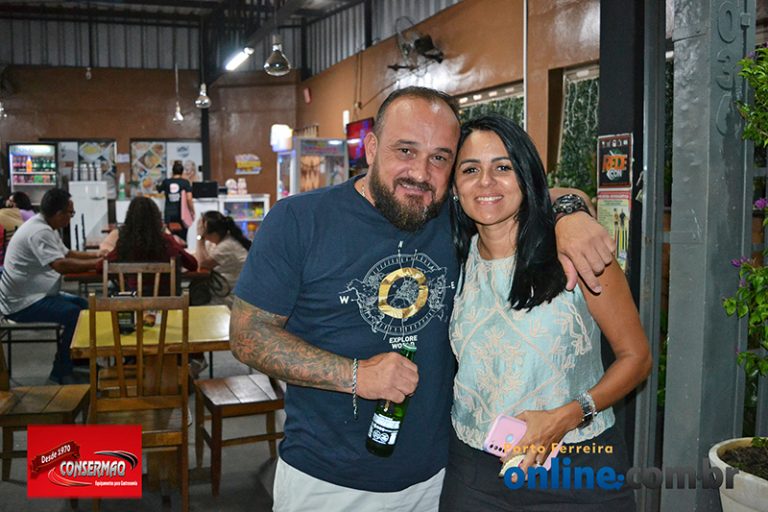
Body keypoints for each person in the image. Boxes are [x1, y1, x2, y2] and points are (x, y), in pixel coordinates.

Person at [229, 87, 615, 511]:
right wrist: (355, 375)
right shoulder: (299, 220)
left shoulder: (455, 216)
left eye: (439, 158)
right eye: (406, 150)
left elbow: (533, 192)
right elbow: (248, 335)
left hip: (438, 478)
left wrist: (573, 213)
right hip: (328, 481)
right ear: (371, 148)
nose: (420, 172)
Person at [439, 114, 651, 511]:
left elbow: (636, 358)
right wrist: (571, 204)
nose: (486, 182)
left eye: (503, 167)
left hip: (576, 467)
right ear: (454, 186)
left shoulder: (575, 254)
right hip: (474, 471)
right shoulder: (452, 259)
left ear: (525, 174)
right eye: (470, 170)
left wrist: (568, 415)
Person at [0, 188, 102, 384]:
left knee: (85, 306)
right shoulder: (39, 231)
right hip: (22, 302)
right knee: (74, 313)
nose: (71, 217)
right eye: (70, 213)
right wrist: (97, 264)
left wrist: (98, 256)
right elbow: (61, 265)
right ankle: (61, 370)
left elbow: (67, 254)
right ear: (59, 214)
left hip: (37, 294)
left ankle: (78, 360)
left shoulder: (46, 226)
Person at [99, 196, 197, 296]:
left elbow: (100, 267)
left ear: (129, 218)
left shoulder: (125, 243)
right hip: (166, 301)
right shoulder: (167, 241)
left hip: (133, 300)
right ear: (157, 217)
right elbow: (192, 264)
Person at [194, 211, 251, 308]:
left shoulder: (227, 245)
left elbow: (202, 263)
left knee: (195, 301)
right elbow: (199, 258)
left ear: (214, 233)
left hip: (230, 296)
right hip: (221, 289)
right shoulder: (217, 241)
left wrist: (200, 238)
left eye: (202, 229)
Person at [157, 160, 194, 242]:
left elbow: (159, 190)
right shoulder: (185, 182)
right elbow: (189, 198)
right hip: (181, 214)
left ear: (172, 171)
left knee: (169, 238)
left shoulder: (166, 182)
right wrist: (192, 211)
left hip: (169, 214)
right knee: (183, 238)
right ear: (182, 172)